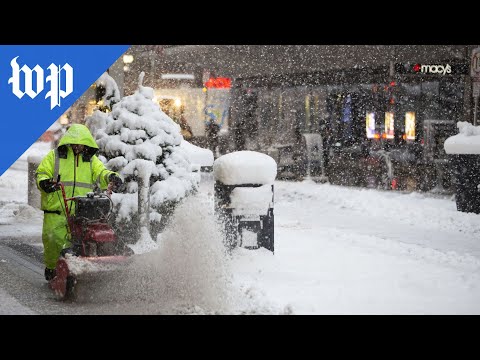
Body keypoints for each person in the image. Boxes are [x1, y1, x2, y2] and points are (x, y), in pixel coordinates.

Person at [35, 124, 123, 281]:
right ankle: (52, 268)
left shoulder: (90, 160)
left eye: (81, 144)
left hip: (80, 210)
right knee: (53, 240)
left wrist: (110, 177)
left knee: (81, 241)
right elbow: (41, 173)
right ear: (68, 142)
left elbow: (101, 172)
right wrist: (45, 183)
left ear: (86, 144)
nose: (77, 147)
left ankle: (78, 271)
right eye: (75, 143)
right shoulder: (54, 157)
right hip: (57, 209)